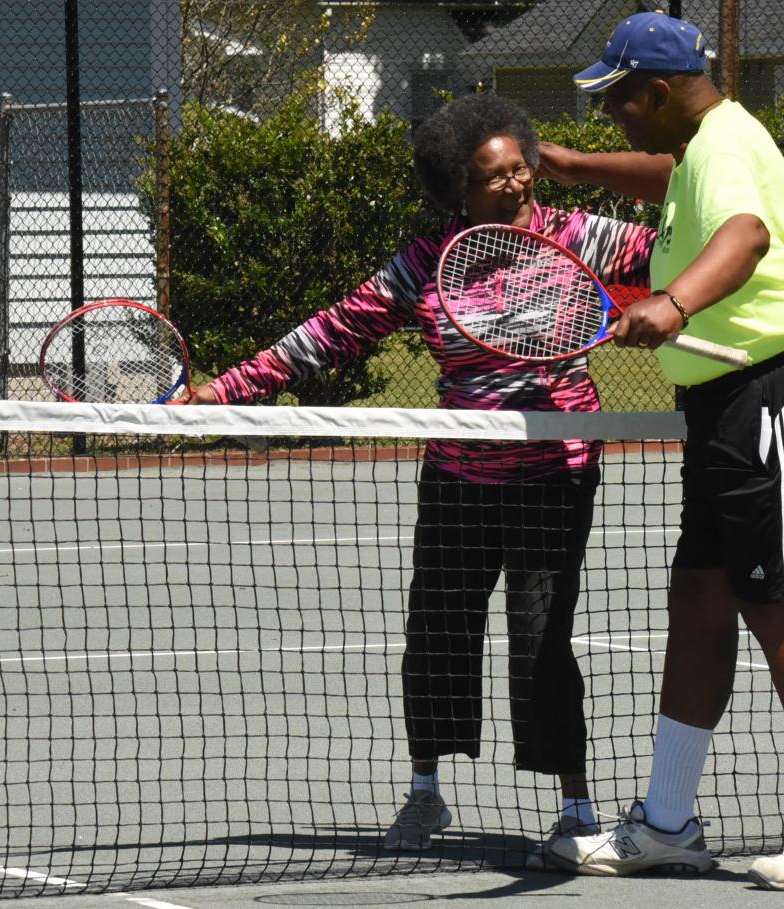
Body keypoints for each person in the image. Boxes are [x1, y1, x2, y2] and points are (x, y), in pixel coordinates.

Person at [185, 92, 667, 856]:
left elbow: (687, 253)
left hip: (556, 473)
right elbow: (330, 332)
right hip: (457, 475)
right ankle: (425, 792)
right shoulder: (426, 262)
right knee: (437, 633)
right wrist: (226, 388)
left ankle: (576, 806)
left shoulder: (581, 237)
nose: (516, 182)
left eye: (521, 166)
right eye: (493, 175)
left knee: (542, 639)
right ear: (457, 191)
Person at [542, 9, 784, 890]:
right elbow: (666, 177)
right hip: (730, 398)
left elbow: (740, 237)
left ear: (659, 93)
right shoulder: (701, 142)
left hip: (774, 385)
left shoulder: (726, 148)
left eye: (617, 103)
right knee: (701, 597)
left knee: (781, 603)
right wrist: (566, 167)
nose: (610, 118)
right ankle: (666, 824)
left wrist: (670, 304)